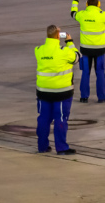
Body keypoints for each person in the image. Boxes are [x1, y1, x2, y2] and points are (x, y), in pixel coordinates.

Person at [35, 24, 80, 155]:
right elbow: (77, 57)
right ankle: (61, 148)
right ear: (58, 36)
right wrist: (70, 42)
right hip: (61, 92)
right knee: (60, 119)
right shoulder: (64, 51)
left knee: (43, 118)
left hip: (43, 91)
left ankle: (42, 146)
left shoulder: (38, 50)